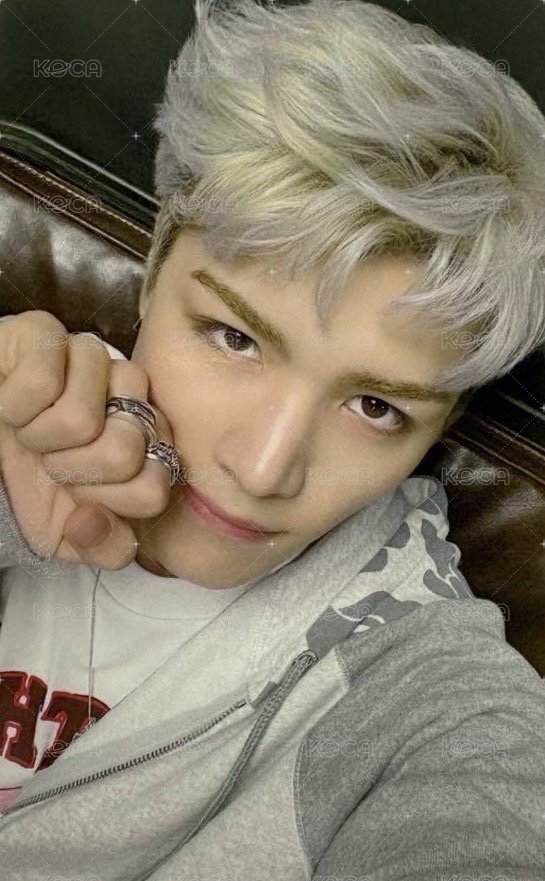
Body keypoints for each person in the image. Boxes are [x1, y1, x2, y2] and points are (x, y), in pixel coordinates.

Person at [0, 0, 544, 877]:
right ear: (153, 271)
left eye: (375, 406)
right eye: (234, 337)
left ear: (442, 424)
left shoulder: (430, 697)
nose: (260, 470)